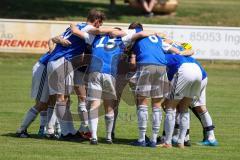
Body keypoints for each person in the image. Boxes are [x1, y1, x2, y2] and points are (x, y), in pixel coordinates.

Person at [127, 22, 171, 147]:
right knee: (156, 104)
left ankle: (141, 139)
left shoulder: (135, 34)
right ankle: (153, 140)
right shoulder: (156, 38)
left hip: (146, 65)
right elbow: (171, 48)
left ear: (133, 30)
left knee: (142, 101)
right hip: (162, 67)